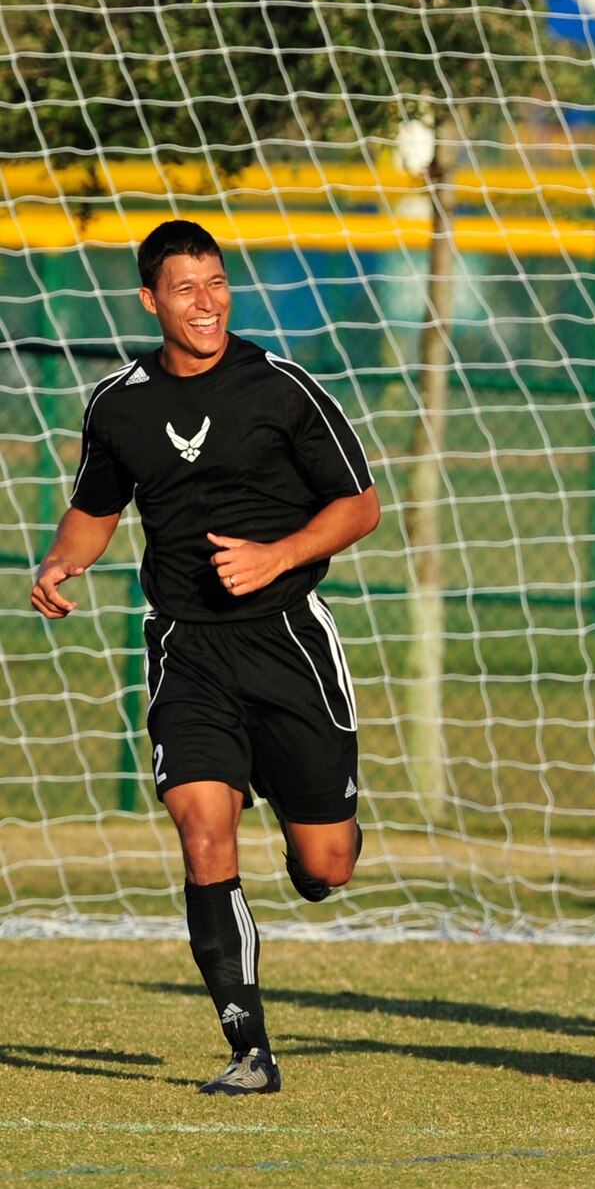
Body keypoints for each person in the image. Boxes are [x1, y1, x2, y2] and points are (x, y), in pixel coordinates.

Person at [32, 219, 381, 1096]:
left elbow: (360, 505)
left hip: (288, 642)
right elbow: (97, 507)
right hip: (186, 647)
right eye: (186, 288)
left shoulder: (282, 388)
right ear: (151, 300)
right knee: (202, 830)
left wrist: (275, 555)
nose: (207, 302)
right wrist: (62, 557)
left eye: (217, 283)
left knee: (323, 867)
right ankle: (249, 1048)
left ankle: (314, 831)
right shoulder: (118, 403)